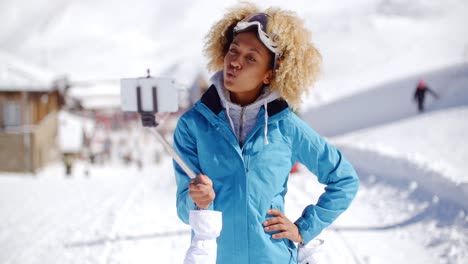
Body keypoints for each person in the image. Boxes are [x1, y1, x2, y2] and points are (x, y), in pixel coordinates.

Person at [173, 3, 359, 263]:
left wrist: (303, 229)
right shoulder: (192, 126)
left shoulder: (286, 127)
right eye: (233, 51)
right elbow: (184, 209)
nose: (235, 62)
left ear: (269, 75)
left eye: (251, 58)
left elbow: (345, 180)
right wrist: (196, 201)